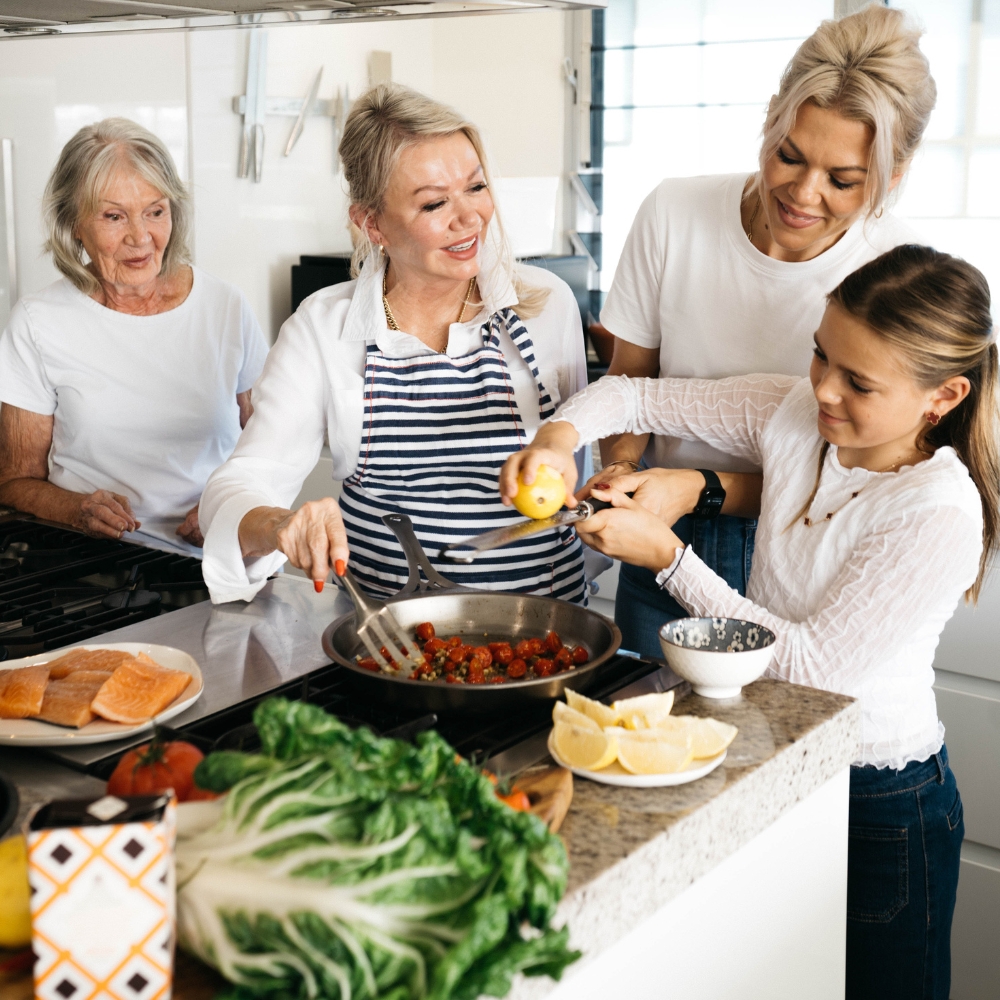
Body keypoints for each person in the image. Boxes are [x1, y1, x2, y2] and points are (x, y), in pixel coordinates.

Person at [502, 245, 998, 1000]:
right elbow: (634, 397)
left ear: (944, 395)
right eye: (820, 355)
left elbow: (812, 670)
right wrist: (556, 442)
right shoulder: (797, 414)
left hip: (882, 803)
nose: (825, 390)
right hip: (775, 760)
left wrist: (668, 556)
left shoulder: (937, 511)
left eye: (858, 381)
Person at [593, 5, 936, 656]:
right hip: (656, 531)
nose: (804, 195)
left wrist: (697, 489)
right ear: (772, 115)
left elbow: (855, 475)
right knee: (636, 742)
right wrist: (623, 474)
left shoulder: (893, 273)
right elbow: (630, 381)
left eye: (842, 180)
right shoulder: (674, 212)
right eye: (789, 155)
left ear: (893, 176)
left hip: (799, 554)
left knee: (770, 752)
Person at [199, 84, 588, 604]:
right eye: (434, 203)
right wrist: (282, 524)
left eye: (475, 187)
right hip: (387, 643)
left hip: (548, 633)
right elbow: (238, 485)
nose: (469, 217)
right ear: (371, 223)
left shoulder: (548, 305)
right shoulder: (322, 328)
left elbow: (579, 468)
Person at [0, 118, 267, 554]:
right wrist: (76, 509)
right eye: (113, 216)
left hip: (221, 560)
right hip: (94, 569)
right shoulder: (37, 322)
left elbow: (272, 447)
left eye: (155, 211)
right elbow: (13, 482)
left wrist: (233, 505)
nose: (140, 237)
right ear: (74, 224)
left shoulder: (225, 307)